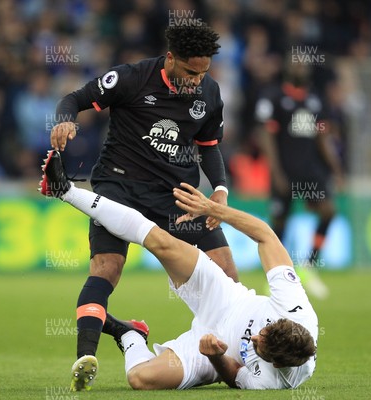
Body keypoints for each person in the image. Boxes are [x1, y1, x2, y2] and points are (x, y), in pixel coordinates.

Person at [49, 23, 238, 378]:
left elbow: (209, 146)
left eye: (203, 73)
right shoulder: (131, 78)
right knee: (107, 269)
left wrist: (220, 189)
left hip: (177, 196)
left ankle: (230, 362)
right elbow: (73, 100)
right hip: (119, 186)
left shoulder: (209, 93)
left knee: (226, 271)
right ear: (170, 59)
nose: (196, 81)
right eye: (190, 72)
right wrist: (65, 122)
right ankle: (84, 359)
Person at [40, 150, 318, 390]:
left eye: (259, 346)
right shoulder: (294, 306)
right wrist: (213, 208)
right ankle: (65, 190)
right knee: (162, 242)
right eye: (264, 331)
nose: (255, 336)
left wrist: (215, 356)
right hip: (226, 299)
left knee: (140, 379)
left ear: (278, 364)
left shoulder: (276, 381)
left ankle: (130, 334)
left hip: (210, 348)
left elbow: (235, 375)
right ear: (284, 321)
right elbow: (266, 236)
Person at [255, 61, 343, 299]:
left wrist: (335, 168)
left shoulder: (316, 100)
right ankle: (274, 277)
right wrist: (276, 172)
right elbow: (265, 135)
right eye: (295, 63)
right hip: (285, 170)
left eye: (304, 64)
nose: (300, 68)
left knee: (328, 211)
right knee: (280, 222)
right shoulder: (273, 97)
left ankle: (309, 266)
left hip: (311, 171)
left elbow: (323, 136)